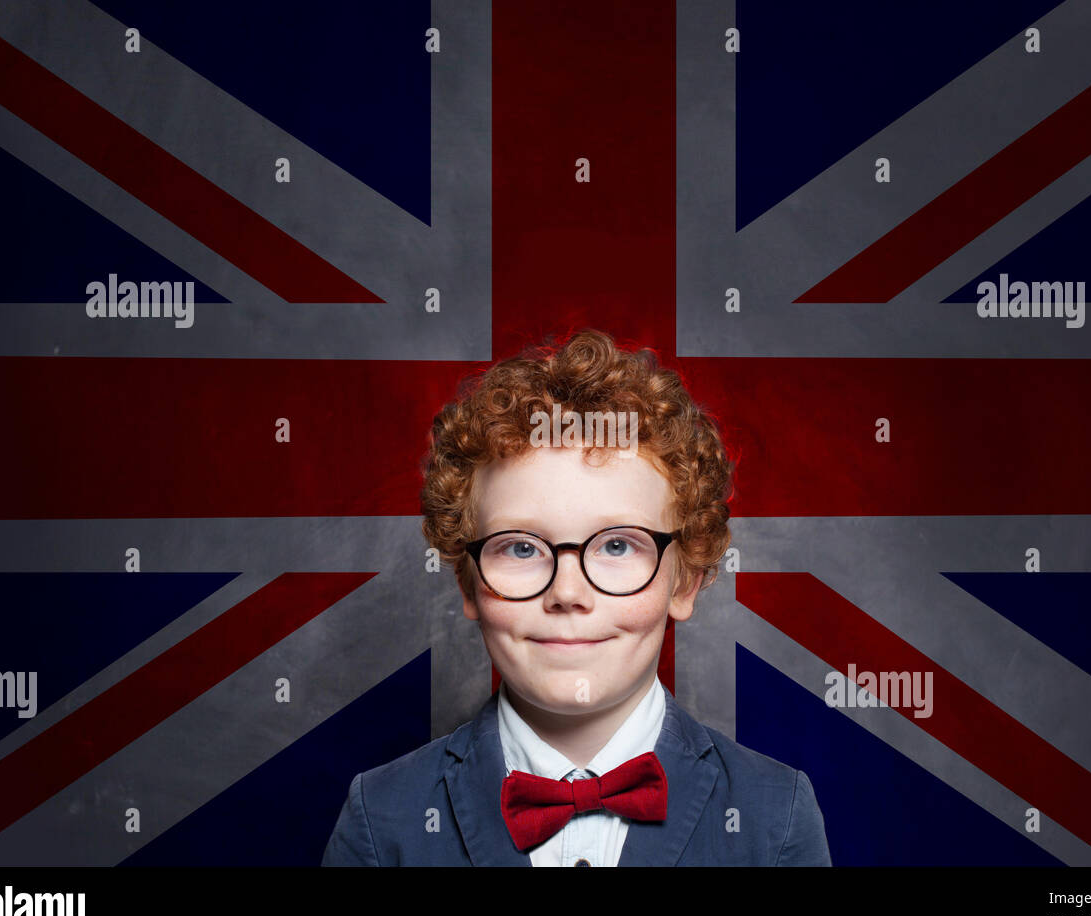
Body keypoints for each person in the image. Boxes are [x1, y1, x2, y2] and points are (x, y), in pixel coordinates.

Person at [322, 329, 830, 866]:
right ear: (468, 581)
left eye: (616, 544)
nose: (567, 592)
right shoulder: (381, 819)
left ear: (685, 580)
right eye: (520, 548)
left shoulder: (777, 818)